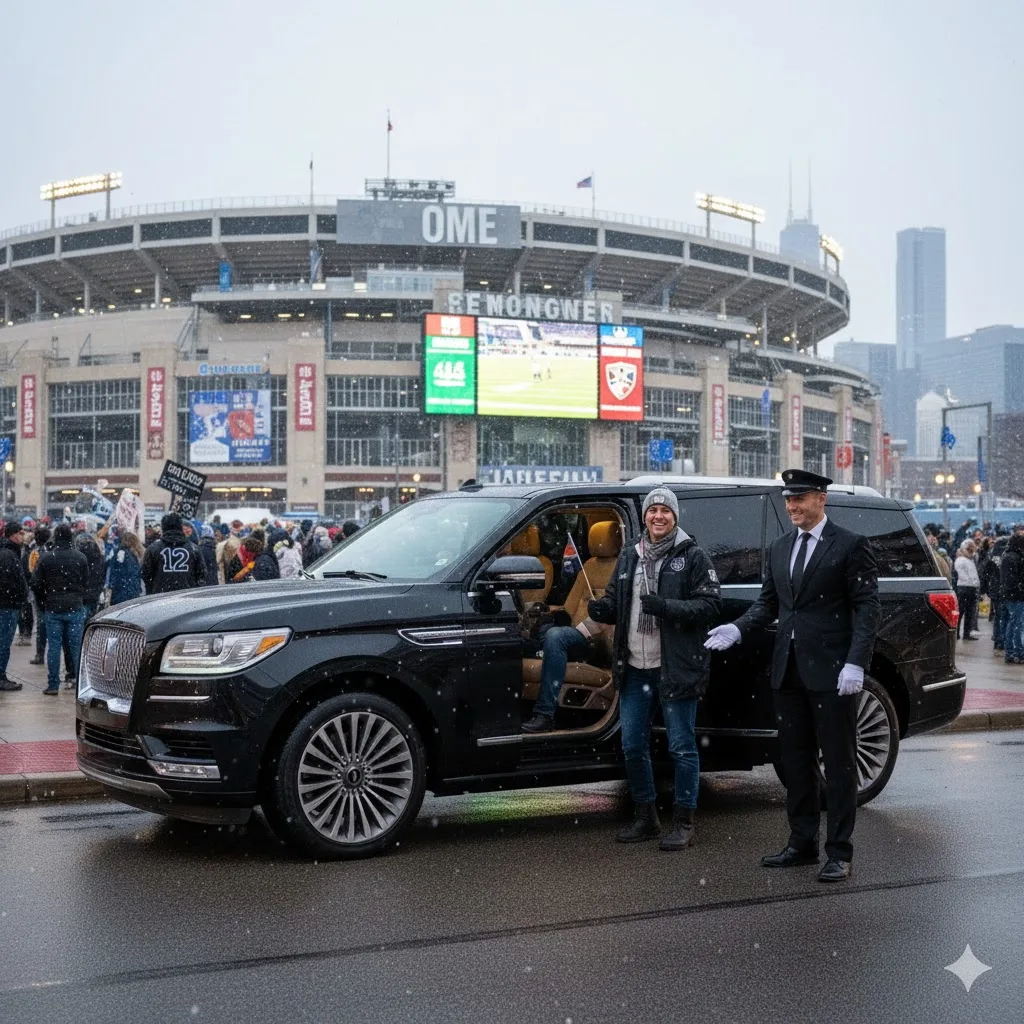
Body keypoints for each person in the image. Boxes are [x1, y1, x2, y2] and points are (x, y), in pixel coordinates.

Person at [705, 468, 880, 882]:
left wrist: (856, 662)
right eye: (788, 499)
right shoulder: (781, 547)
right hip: (788, 671)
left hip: (834, 672)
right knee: (795, 762)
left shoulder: (850, 545)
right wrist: (738, 628)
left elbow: (867, 609)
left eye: (799, 498)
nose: (792, 506)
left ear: (822, 498)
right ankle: (802, 843)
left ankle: (839, 851)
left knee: (837, 765)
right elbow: (768, 604)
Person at [583, 487, 721, 849]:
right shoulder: (630, 553)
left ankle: (685, 822)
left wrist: (666, 606)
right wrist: (603, 610)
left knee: (681, 747)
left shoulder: (691, 555)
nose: (658, 516)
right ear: (644, 516)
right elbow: (616, 599)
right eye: (652, 510)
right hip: (634, 667)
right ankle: (646, 818)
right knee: (631, 745)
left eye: (665, 511)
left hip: (674, 667)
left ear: (675, 517)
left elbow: (709, 606)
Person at [30, 523, 89, 694]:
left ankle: (53, 684)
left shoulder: (47, 558)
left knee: (54, 647)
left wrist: (44, 599)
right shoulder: (80, 557)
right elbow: (85, 581)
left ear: (55, 538)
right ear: (71, 537)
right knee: (76, 647)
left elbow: (35, 583)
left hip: (53, 607)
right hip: (74, 606)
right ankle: (80, 684)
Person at [142, 513, 207, 594]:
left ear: (163, 528)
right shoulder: (193, 548)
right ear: (180, 527)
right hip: (187, 598)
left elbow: (146, 574)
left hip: (160, 598)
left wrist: (152, 590)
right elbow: (202, 574)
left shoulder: (153, 548)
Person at [0, 522, 29, 691]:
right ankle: (1, 676)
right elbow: (16, 581)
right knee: (4, 642)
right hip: (7, 606)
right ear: (12, 534)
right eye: (20, 532)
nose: (23, 535)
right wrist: (21, 597)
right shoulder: (9, 555)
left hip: (7, 604)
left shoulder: (8, 552)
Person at [73, 522, 106, 619]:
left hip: (81, 594)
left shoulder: (78, 556)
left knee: (81, 620)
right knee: (91, 617)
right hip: (93, 593)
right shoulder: (98, 556)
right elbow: (101, 575)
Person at [1000, 533, 1024, 665]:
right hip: (1016, 596)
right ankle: (1017, 652)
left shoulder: (1008, 556)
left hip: (1010, 595)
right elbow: (1013, 580)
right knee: (1017, 624)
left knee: (1013, 623)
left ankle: (1011, 652)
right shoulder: (1014, 558)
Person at [107, 531, 145, 606]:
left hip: (119, 592)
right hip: (132, 592)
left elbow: (113, 574)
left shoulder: (118, 553)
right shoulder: (134, 556)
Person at [954, 540, 980, 641]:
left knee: (969, 612)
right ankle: (957, 633)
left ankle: (966, 633)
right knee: (961, 612)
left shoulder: (970, 560)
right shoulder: (961, 560)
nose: (971, 551)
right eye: (969, 549)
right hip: (964, 587)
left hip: (970, 588)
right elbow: (961, 574)